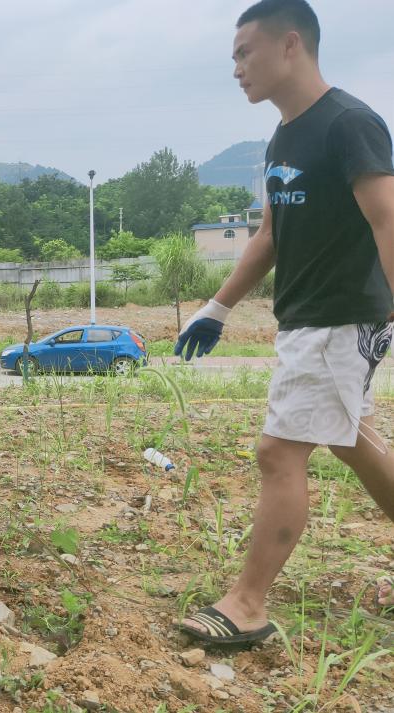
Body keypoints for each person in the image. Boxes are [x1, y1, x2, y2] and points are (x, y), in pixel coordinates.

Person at [175, 0, 394, 645]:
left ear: (290, 44)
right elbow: (270, 233)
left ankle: (246, 605)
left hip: (341, 316)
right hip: (307, 319)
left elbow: (387, 218)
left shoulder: (348, 124)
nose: (237, 68)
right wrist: (219, 306)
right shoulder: (283, 137)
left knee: (279, 451)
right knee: (351, 441)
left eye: (245, 53)